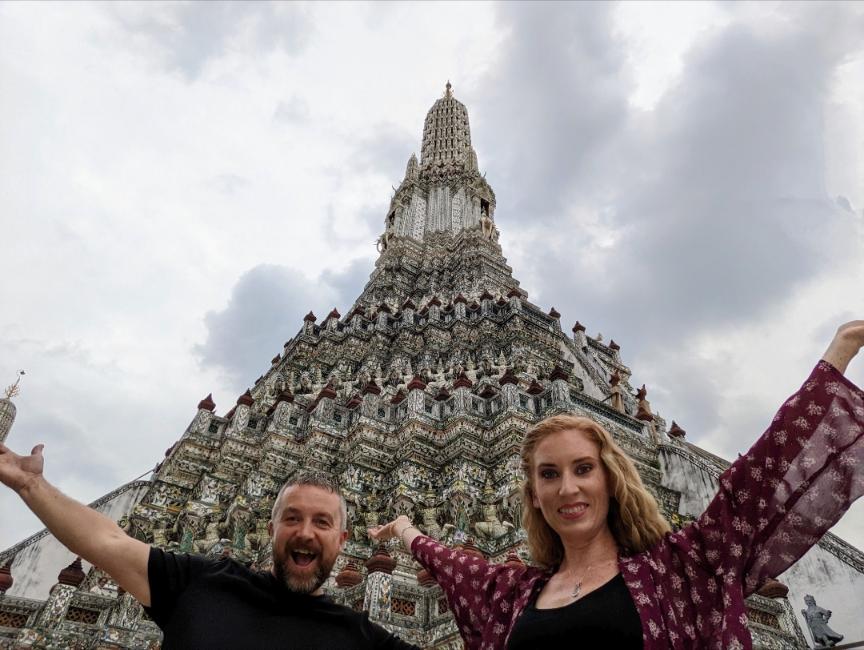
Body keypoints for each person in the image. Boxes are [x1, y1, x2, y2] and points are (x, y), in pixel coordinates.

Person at [371, 321, 864, 649]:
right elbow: (461, 568)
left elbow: (751, 488)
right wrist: (406, 531)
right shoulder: (517, 592)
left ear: (612, 480)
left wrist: (839, 351)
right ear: (534, 497)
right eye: (549, 474)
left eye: (583, 469)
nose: (567, 488)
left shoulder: (675, 570)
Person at [0, 455, 419, 650]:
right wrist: (30, 486)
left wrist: (408, 533)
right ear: (272, 529)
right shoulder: (205, 583)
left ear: (342, 541)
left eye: (322, 523)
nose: (306, 533)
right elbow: (108, 542)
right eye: (293, 519)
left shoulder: (359, 637)